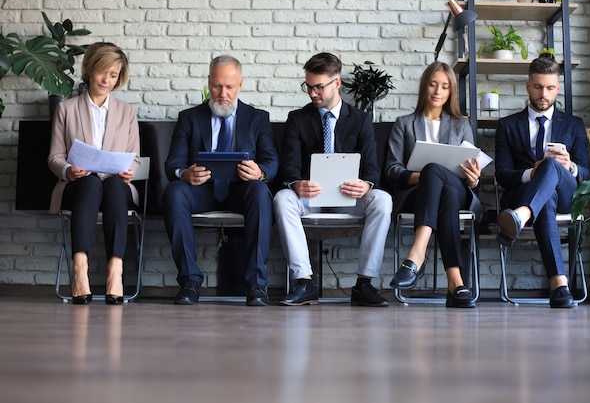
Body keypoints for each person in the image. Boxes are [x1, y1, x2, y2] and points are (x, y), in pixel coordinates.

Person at [273, 52, 393, 307]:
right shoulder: (298, 119)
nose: (312, 93)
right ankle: (304, 282)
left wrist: (366, 184)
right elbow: (289, 165)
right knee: (283, 199)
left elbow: (372, 167)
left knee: (382, 200)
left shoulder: (360, 120)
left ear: (336, 83)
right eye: (308, 86)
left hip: (349, 197)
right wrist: (296, 183)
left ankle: (364, 284)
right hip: (311, 198)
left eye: (318, 87)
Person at [163, 55, 278, 306]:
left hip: (241, 191)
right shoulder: (189, 118)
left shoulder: (258, 118)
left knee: (260, 191)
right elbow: (172, 163)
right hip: (201, 191)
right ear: (208, 82)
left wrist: (260, 173)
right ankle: (189, 281)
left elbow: (272, 161)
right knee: (174, 192)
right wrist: (184, 174)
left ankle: (257, 285)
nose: (222, 93)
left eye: (229, 87)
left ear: (240, 85)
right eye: (217, 86)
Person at [495, 55, 590, 308]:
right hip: (523, 192)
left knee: (552, 164)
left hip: (566, 195)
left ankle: (521, 215)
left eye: (549, 88)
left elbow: (587, 174)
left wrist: (569, 166)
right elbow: (502, 174)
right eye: (537, 87)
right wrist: (531, 174)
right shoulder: (507, 125)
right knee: (544, 199)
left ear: (558, 88)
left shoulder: (573, 125)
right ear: (528, 86)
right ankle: (559, 285)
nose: (543, 94)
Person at [48, 42, 140, 305]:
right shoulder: (66, 109)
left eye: (114, 75)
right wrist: (68, 170)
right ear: (89, 70)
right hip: (78, 186)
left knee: (112, 186)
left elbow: (134, 156)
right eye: (103, 72)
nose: (107, 80)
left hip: (115, 185)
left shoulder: (127, 112)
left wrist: (128, 171)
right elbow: (55, 156)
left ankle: (115, 271)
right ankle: (79, 269)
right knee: (90, 184)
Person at [385, 61, 481, 308]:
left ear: (451, 92)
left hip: (458, 189)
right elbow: (392, 170)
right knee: (441, 187)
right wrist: (428, 176)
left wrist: (473, 177)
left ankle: (417, 253)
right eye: (433, 84)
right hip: (418, 195)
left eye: (445, 87)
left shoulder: (462, 125)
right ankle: (456, 283)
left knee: (441, 179)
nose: (438, 91)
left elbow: (470, 170)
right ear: (424, 87)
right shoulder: (404, 124)